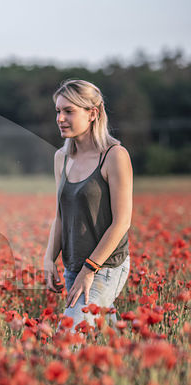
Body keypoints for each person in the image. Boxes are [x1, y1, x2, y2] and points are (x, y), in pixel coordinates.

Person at [43, 79, 133, 332]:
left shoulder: (114, 155)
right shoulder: (61, 158)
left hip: (105, 266)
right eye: (58, 111)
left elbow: (122, 222)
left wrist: (89, 269)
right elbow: (60, 216)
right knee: (103, 337)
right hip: (72, 266)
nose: (60, 118)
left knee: (71, 333)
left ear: (93, 113)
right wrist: (49, 258)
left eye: (69, 111)